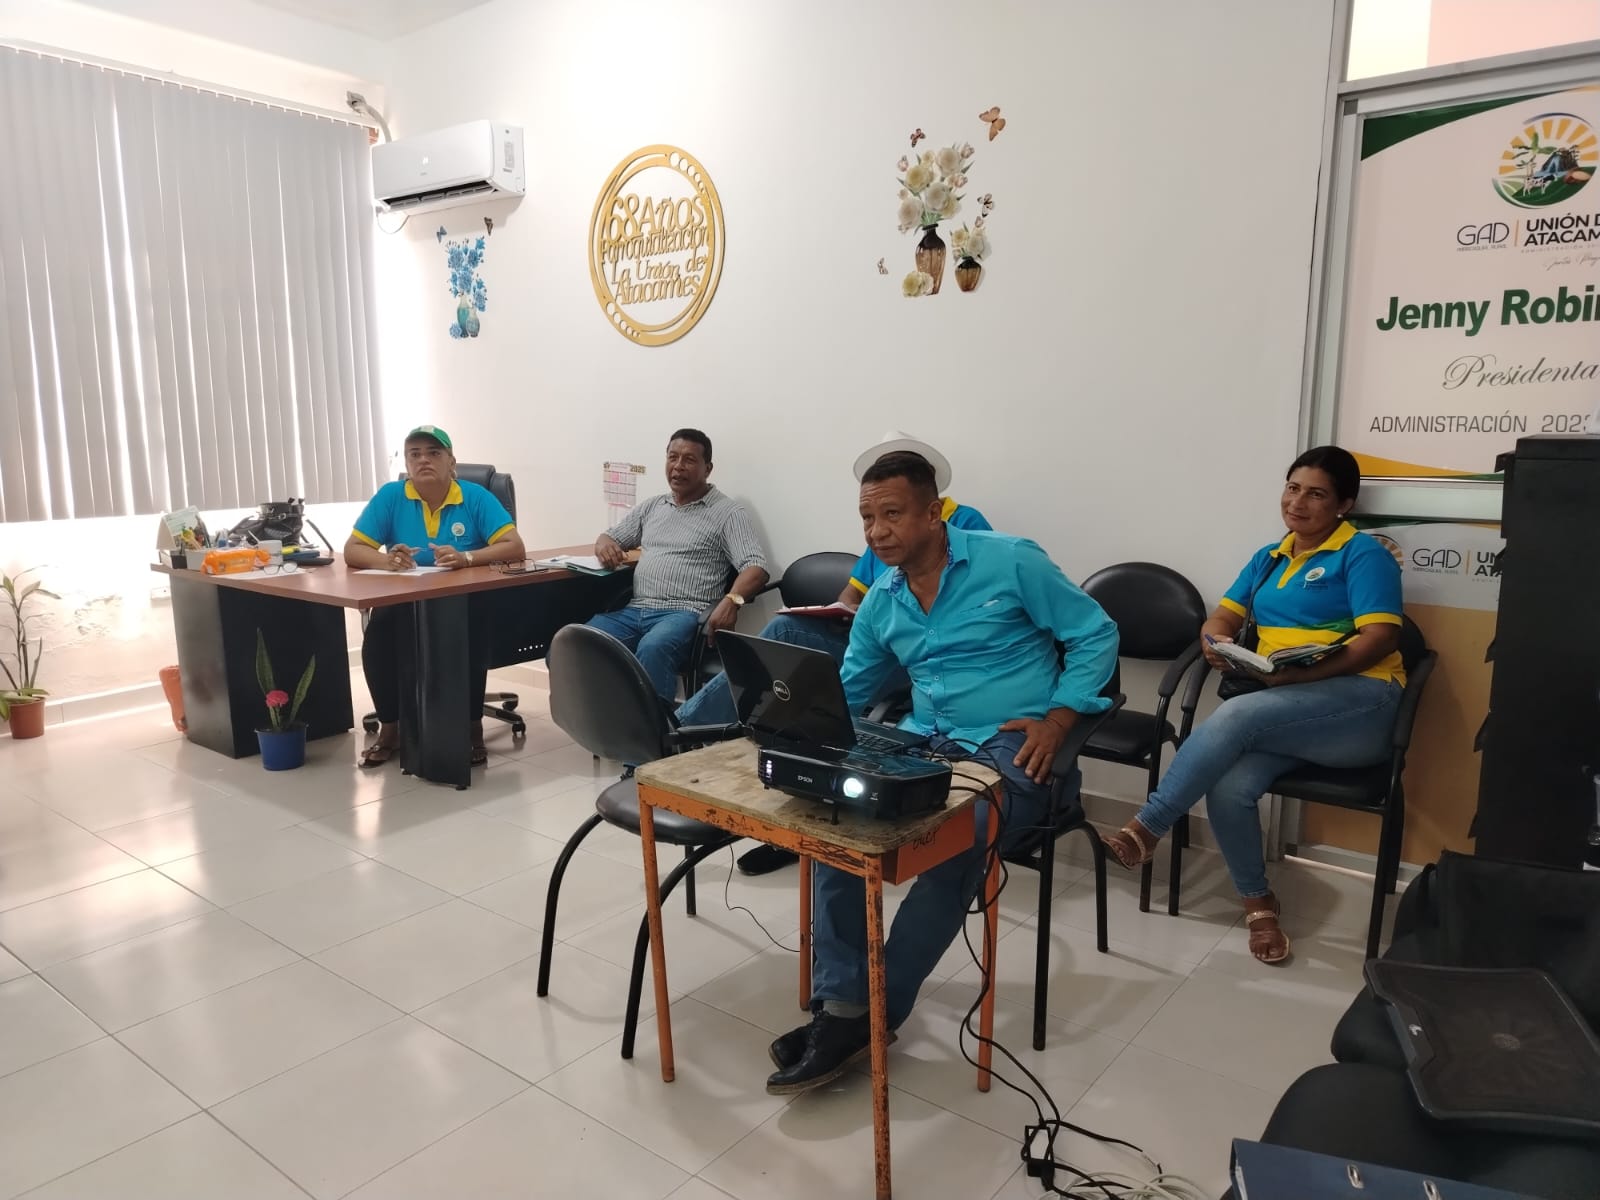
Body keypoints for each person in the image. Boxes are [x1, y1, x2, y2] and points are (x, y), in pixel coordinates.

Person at [765, 452, 1119, 1096]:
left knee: (955, 841)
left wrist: (1061, 718)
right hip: (926, 745)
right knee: (831, 825)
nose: (876, 532)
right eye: (867, 518)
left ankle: (870, 1015)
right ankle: (844, 1006)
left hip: (1018, 750)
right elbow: (849, 692)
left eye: (892, 514)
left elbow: (1095, 633)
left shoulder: (1010, 561)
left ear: (934, 513)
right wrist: (794, 726)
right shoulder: (883, 599)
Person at [1100, 445, 1405, 965]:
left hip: (1361, 708)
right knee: (1229, 786)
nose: (1298, 502)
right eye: (1293, 488)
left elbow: (1379, 639)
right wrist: (1215, 643)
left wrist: (1296, 676)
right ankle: (1258, 903)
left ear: (1344, 505)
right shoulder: (1269, 557)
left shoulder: (1362, 554)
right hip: (1285, 710)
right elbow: (1222, 617)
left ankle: (1147, 828)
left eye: (1316, 494)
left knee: (1238, 715)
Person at [673, 431, 993, 876]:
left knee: (807, 681)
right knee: (788, 642)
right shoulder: (882, 535)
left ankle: (682, 731)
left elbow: (961, 604)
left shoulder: (968, 524)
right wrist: (844, 614)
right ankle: (705, 740)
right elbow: (852, 595)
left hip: (915, 656)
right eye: (871, 511)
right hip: (872, 643)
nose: (879, 524)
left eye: (893, 505)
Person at [345, 425, 527, 768]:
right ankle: (391, 729)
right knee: (378, 636)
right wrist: (387, 561)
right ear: (407, 464)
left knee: (468, 636)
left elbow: (514, 547)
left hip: (464, 600)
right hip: (405, 601)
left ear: (451, 462)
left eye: (433, 453)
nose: (423, 460)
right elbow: (353, 549)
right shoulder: (391, 496)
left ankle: (472, 727)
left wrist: (467, 557)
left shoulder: (474, 496)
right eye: (414, 454)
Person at [589, 429, 769, 701]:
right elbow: (611, 536)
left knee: (654, 647)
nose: (678, 466)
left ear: (708, 469)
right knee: (576, 642)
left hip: (684, 614)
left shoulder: (727, 513)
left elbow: (756, 568)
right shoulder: (653, 507)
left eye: (689, 460)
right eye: (672, 457)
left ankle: (655, 727)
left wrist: (732, 601)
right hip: (635, 610)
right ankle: (610, 717)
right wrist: (604, 544)